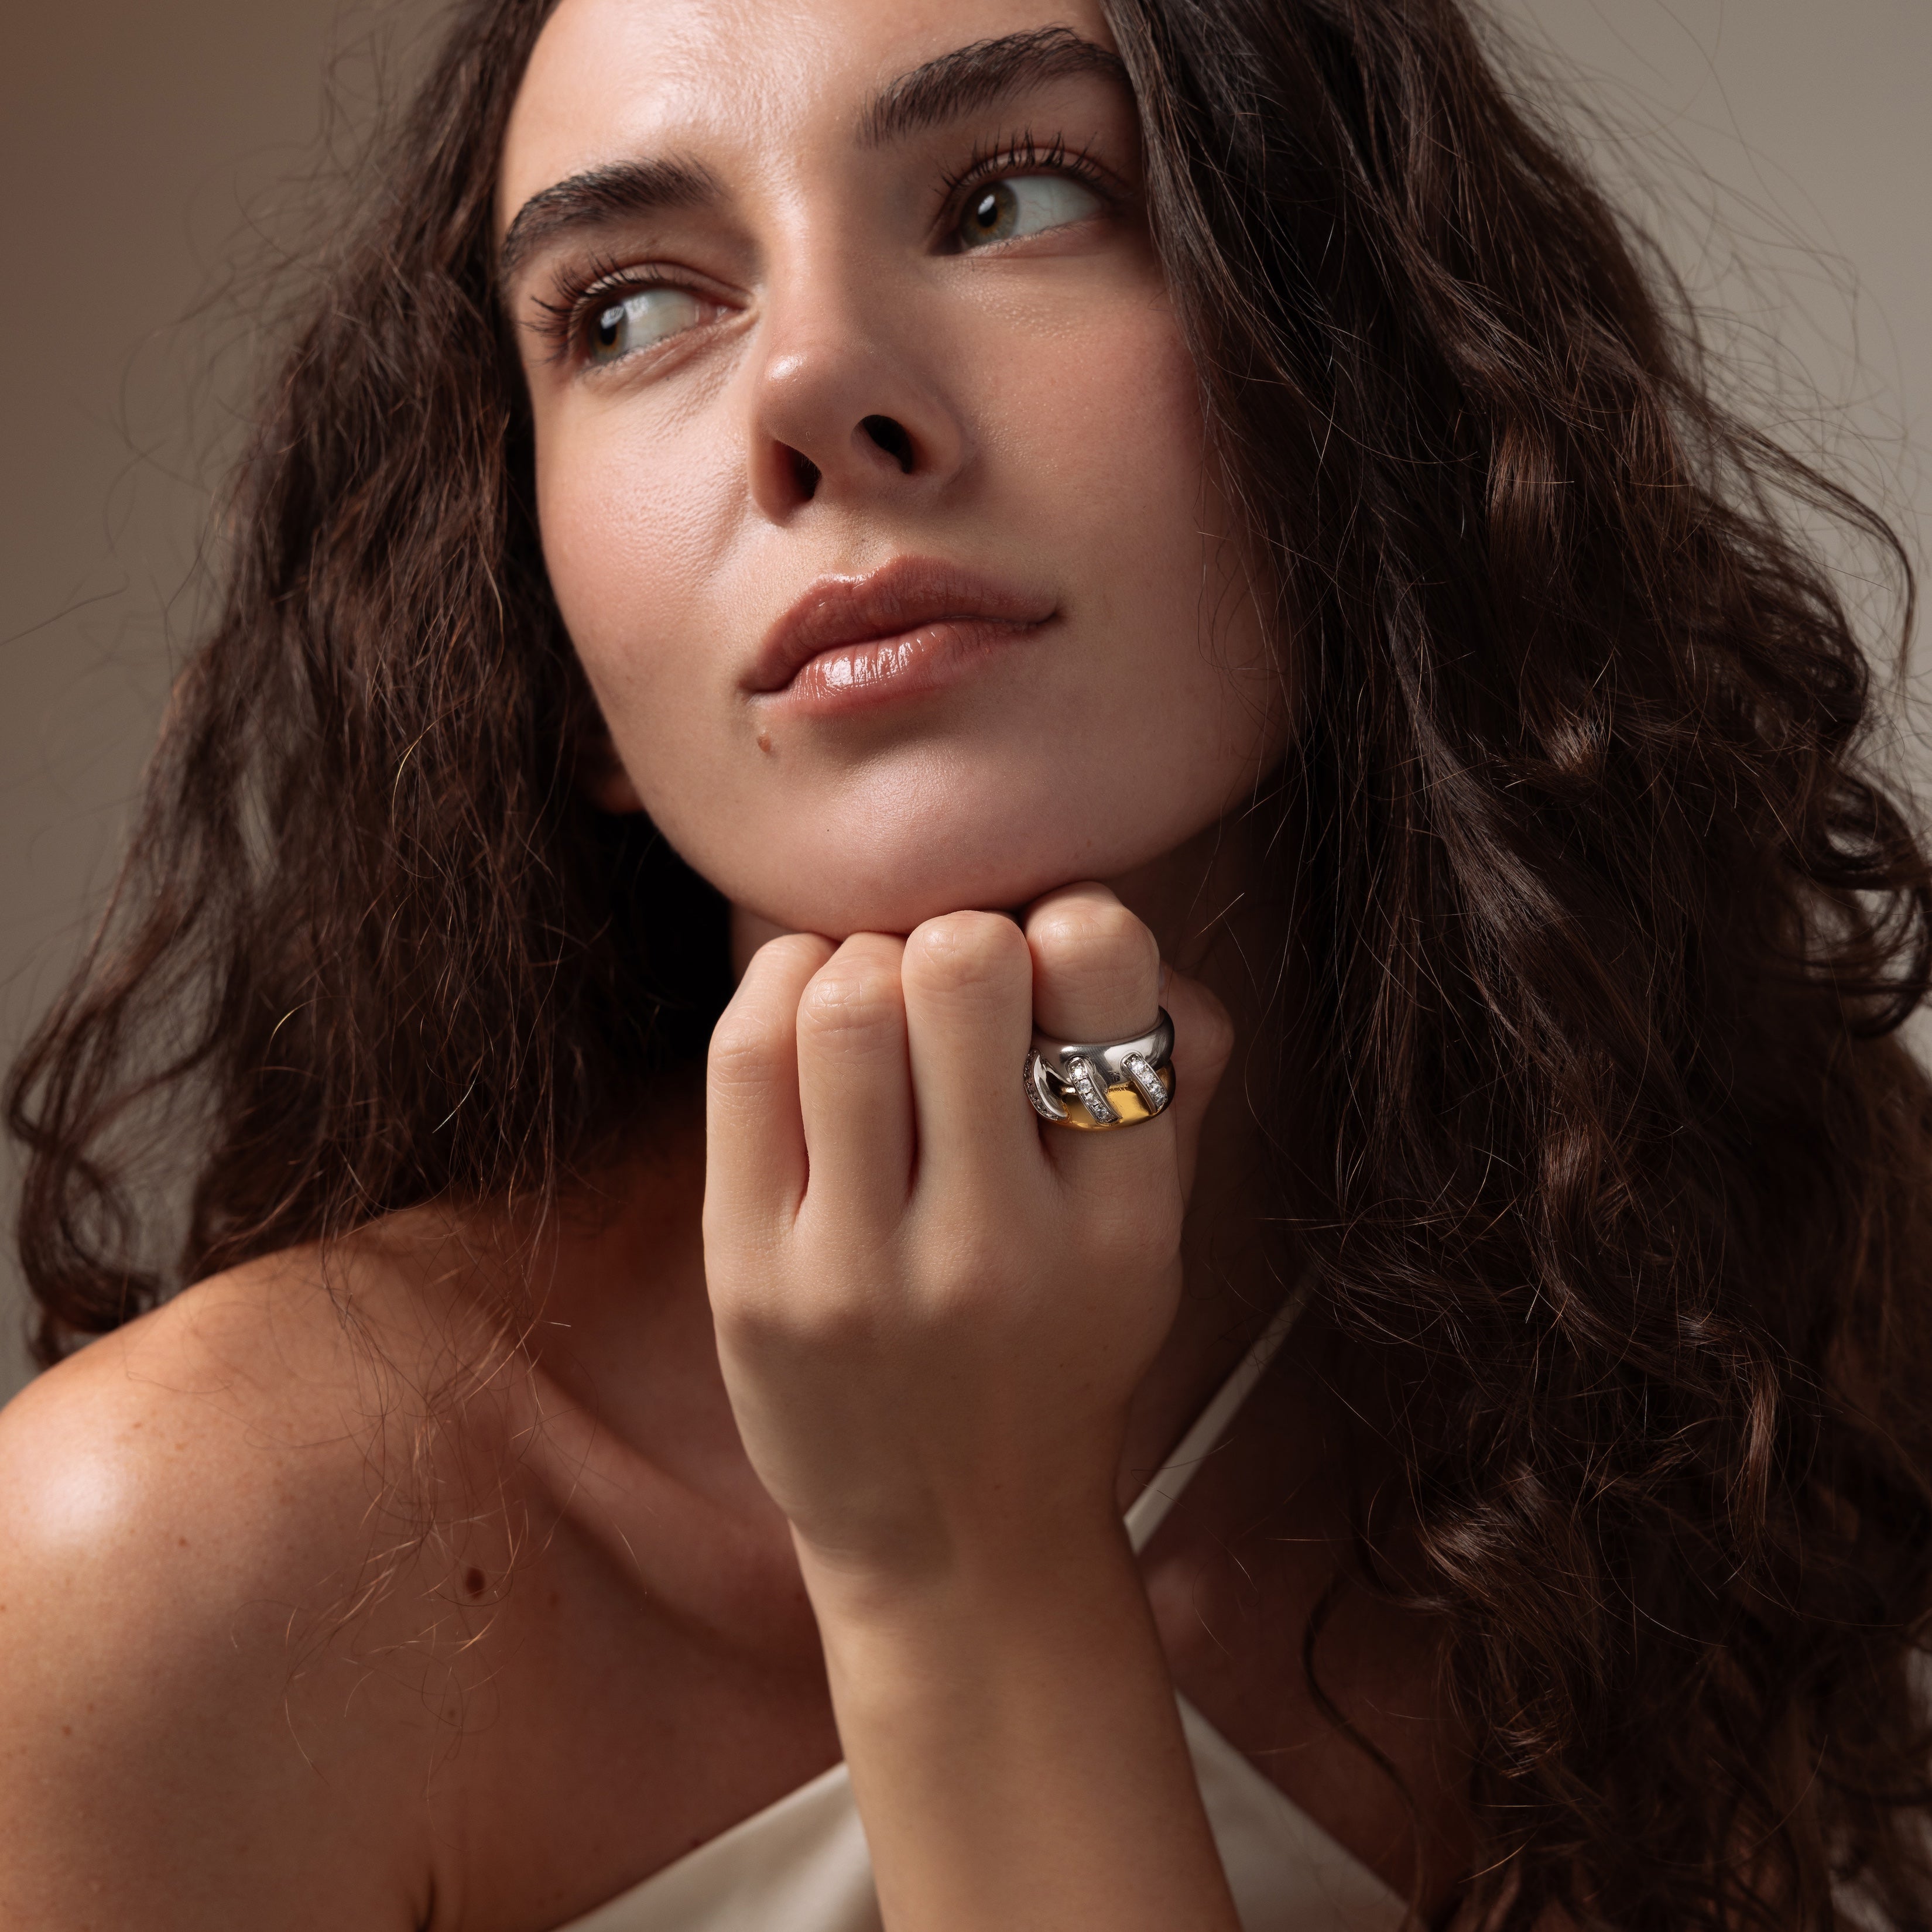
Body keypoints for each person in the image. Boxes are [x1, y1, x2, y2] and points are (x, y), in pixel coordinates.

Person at [4, 0, 1930, 1926]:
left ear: (1375, 385)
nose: (813, 384)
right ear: (545, 645)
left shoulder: (1791, 1295)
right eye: (626, 310)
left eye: (1013, 196)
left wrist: (986, 1553)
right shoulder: (152, 1572)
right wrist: (958, 1561)